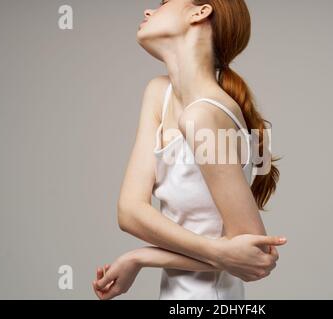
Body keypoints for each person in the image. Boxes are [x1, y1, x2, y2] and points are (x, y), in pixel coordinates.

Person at [92, 0, 284, 300]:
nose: (148, 11)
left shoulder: (204, 116)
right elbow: (130, 212)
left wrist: (141, 257)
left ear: (200, 12)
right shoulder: (159, 94)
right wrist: (216, 252)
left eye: (164, 2)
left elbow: (254, 256)